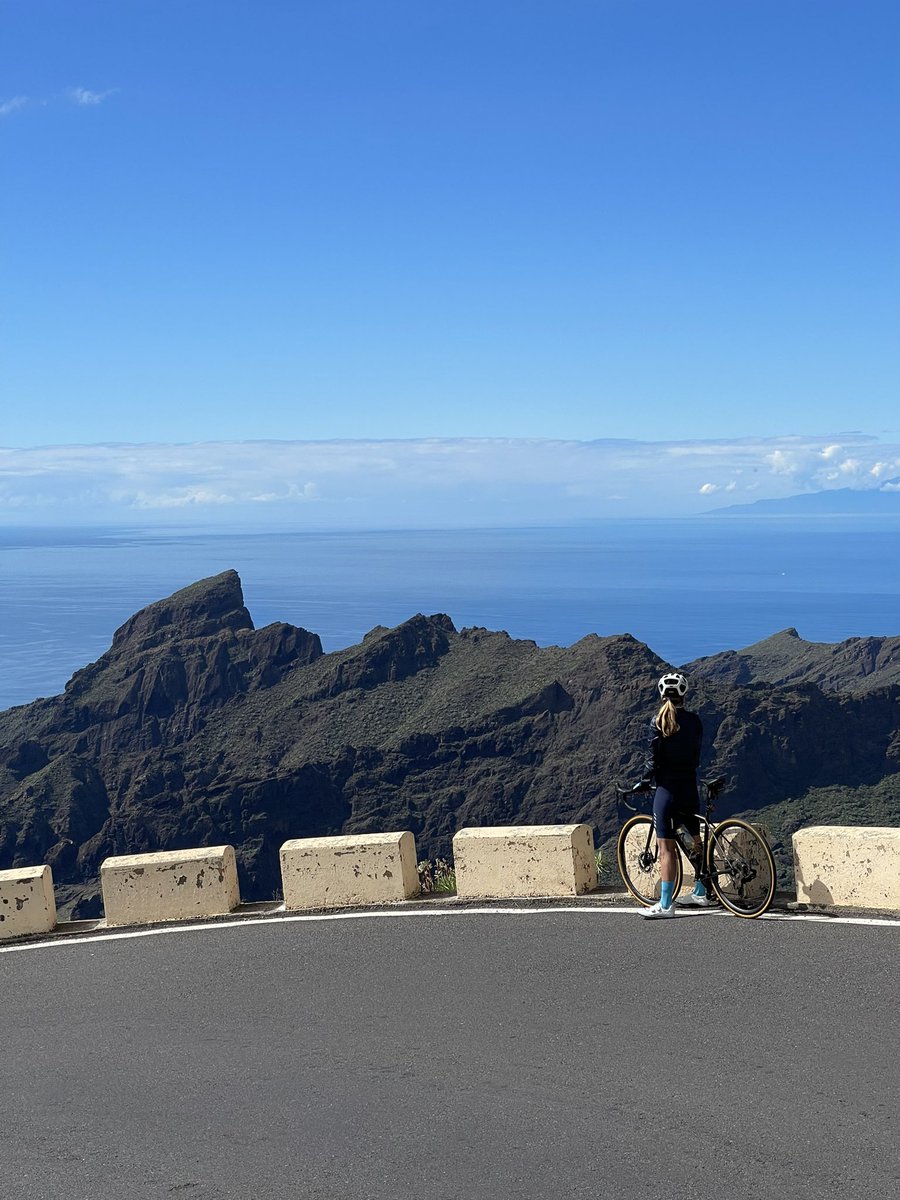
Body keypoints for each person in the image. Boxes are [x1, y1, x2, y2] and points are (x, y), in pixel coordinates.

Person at [638, 671, 710, 919]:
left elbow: (652, 759)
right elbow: (696, 755)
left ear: (661, 695)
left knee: (666, 847)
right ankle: (701, 892)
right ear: (683, 695)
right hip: (690, 786)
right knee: (695, 839)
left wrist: (644, 782)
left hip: (667, 790)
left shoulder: (657, 721)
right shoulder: (695, 720)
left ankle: (666, 905)